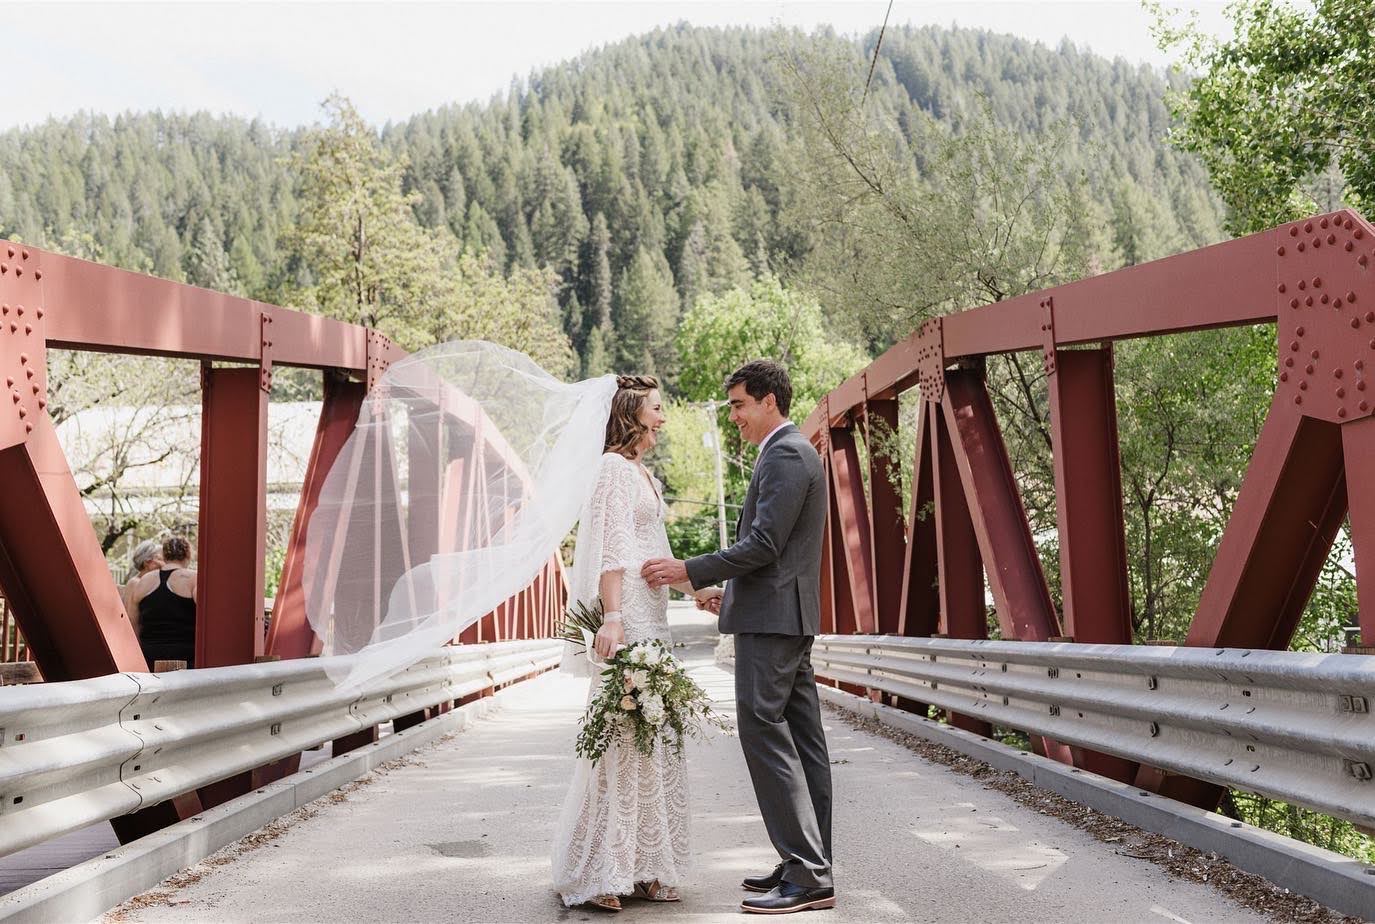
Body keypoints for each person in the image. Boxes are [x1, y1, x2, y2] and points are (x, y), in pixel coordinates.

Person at [642, 359, 835, 915]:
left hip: (773, 625)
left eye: (738, 404)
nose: (733, 417)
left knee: (764, 734)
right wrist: (729, 595)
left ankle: (808, 873)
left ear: (768, 401)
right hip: (779, 616)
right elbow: (780, 555)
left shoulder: (786, 454)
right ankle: (808, 862)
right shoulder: (788, 453)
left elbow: (765, 545)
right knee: (803, 745)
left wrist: (689, 570)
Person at [550, 374, 719, 912]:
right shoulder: (612, 471)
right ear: (632, 414)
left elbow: (658, 549)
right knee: (620, 740)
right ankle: (601, 867)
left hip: (656, 619)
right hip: (628, 620)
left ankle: (647, 863)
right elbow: (611, 550)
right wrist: (613, 617)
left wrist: (698, 588)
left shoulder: (645, 476)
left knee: (657, 740)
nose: (664, 417)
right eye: (657, 408)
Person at [128, 535, 198, 669]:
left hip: (149, 656)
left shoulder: (144, 581)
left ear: (164, 555)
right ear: (188, 555)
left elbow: (133, 624)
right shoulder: (193, 579)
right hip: (186, 657)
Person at [121, 539, 164, 631]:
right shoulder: (135, 583)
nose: (163, 564)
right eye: (159, 559)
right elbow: (131, 620)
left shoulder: (150, 583)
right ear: (147, 562)